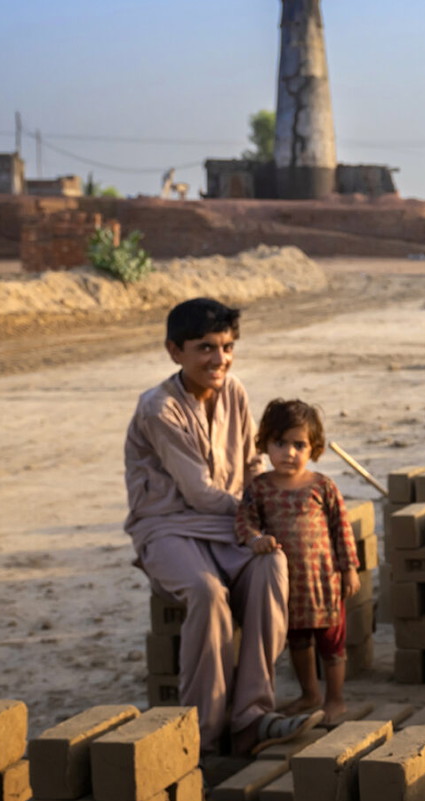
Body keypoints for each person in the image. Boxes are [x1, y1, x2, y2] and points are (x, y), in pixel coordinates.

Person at [124, 298, 321, 755]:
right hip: (169, 528)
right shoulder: (158, 409)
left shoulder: (234, 391)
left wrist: (270, 506)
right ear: (175, 351)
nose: (219, 359)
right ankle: (204, 735)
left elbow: (251, 465)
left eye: (227, 347)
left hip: (230, 523)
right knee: (207, 592)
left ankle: (251, 715)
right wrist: (263, 510)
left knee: (272, 566)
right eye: (206, 348)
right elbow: (198, 493)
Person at [236, 399, 360, 726]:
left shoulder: (323, 486)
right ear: (264, 444)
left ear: (314, 448)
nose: (289, 452)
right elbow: (245, 521)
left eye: (299, 445)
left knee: (331, 644)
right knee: (299, 641)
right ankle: (310, 694)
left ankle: (335, 699)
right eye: (280, 443)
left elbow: (342, 529)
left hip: (324, 583)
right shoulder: (260, 488)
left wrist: (349, 569)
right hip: (288, 586)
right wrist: (255, 539)